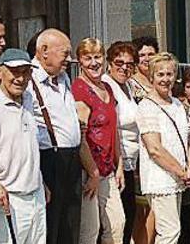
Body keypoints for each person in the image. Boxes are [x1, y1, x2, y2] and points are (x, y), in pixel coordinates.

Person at [0, 48, 49, 244]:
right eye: (15, 72)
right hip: (6, 197)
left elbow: (28, 146)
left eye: (26, 72)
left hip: (35, 194)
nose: (21, 78)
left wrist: (41, 182)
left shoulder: (29, 99)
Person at [31, 28, 98, 244]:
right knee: (51, 226)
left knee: (70, 226)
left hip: (71, 159)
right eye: (64, 53)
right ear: (44, 51)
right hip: (49, 159)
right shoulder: (29, 81)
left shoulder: (63, 78)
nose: (68, 59)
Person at [136, 52, 190, 244]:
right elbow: (154, 149)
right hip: (160, 179)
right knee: (170, 232)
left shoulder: (178, 104)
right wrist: (181, 171)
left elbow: (186, 139)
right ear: (152, 77)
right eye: (160, 74)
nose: (165, 79)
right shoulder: (146, 107)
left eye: (169, 74)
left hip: (178, 178)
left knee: (172, 230)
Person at [72, 38, 126, 244]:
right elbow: (81, 136)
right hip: (88, 171)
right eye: (88, 58)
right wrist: (92, 172)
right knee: (90, 230)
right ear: (80, 61)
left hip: (107, 168)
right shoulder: (79, 90)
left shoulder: (108, 88)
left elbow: (114, 129)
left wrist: (118, 165)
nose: (94, 63)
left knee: (117, 224)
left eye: (97, 57)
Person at [102, 41, 142, 244]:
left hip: (130, 162)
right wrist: (118, 166)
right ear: (109, 63)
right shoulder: (106, 86)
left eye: (130, 64)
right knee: (116, 223)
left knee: (128, 218)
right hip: (114, 165)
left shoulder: (128, 86)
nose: (124, 67)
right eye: (119, 62)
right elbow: (112, 128)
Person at [131, 36, 159, 101]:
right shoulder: (131, 84)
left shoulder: (161, 80)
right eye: (142, 55)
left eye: (151, 54)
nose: (147, 59)